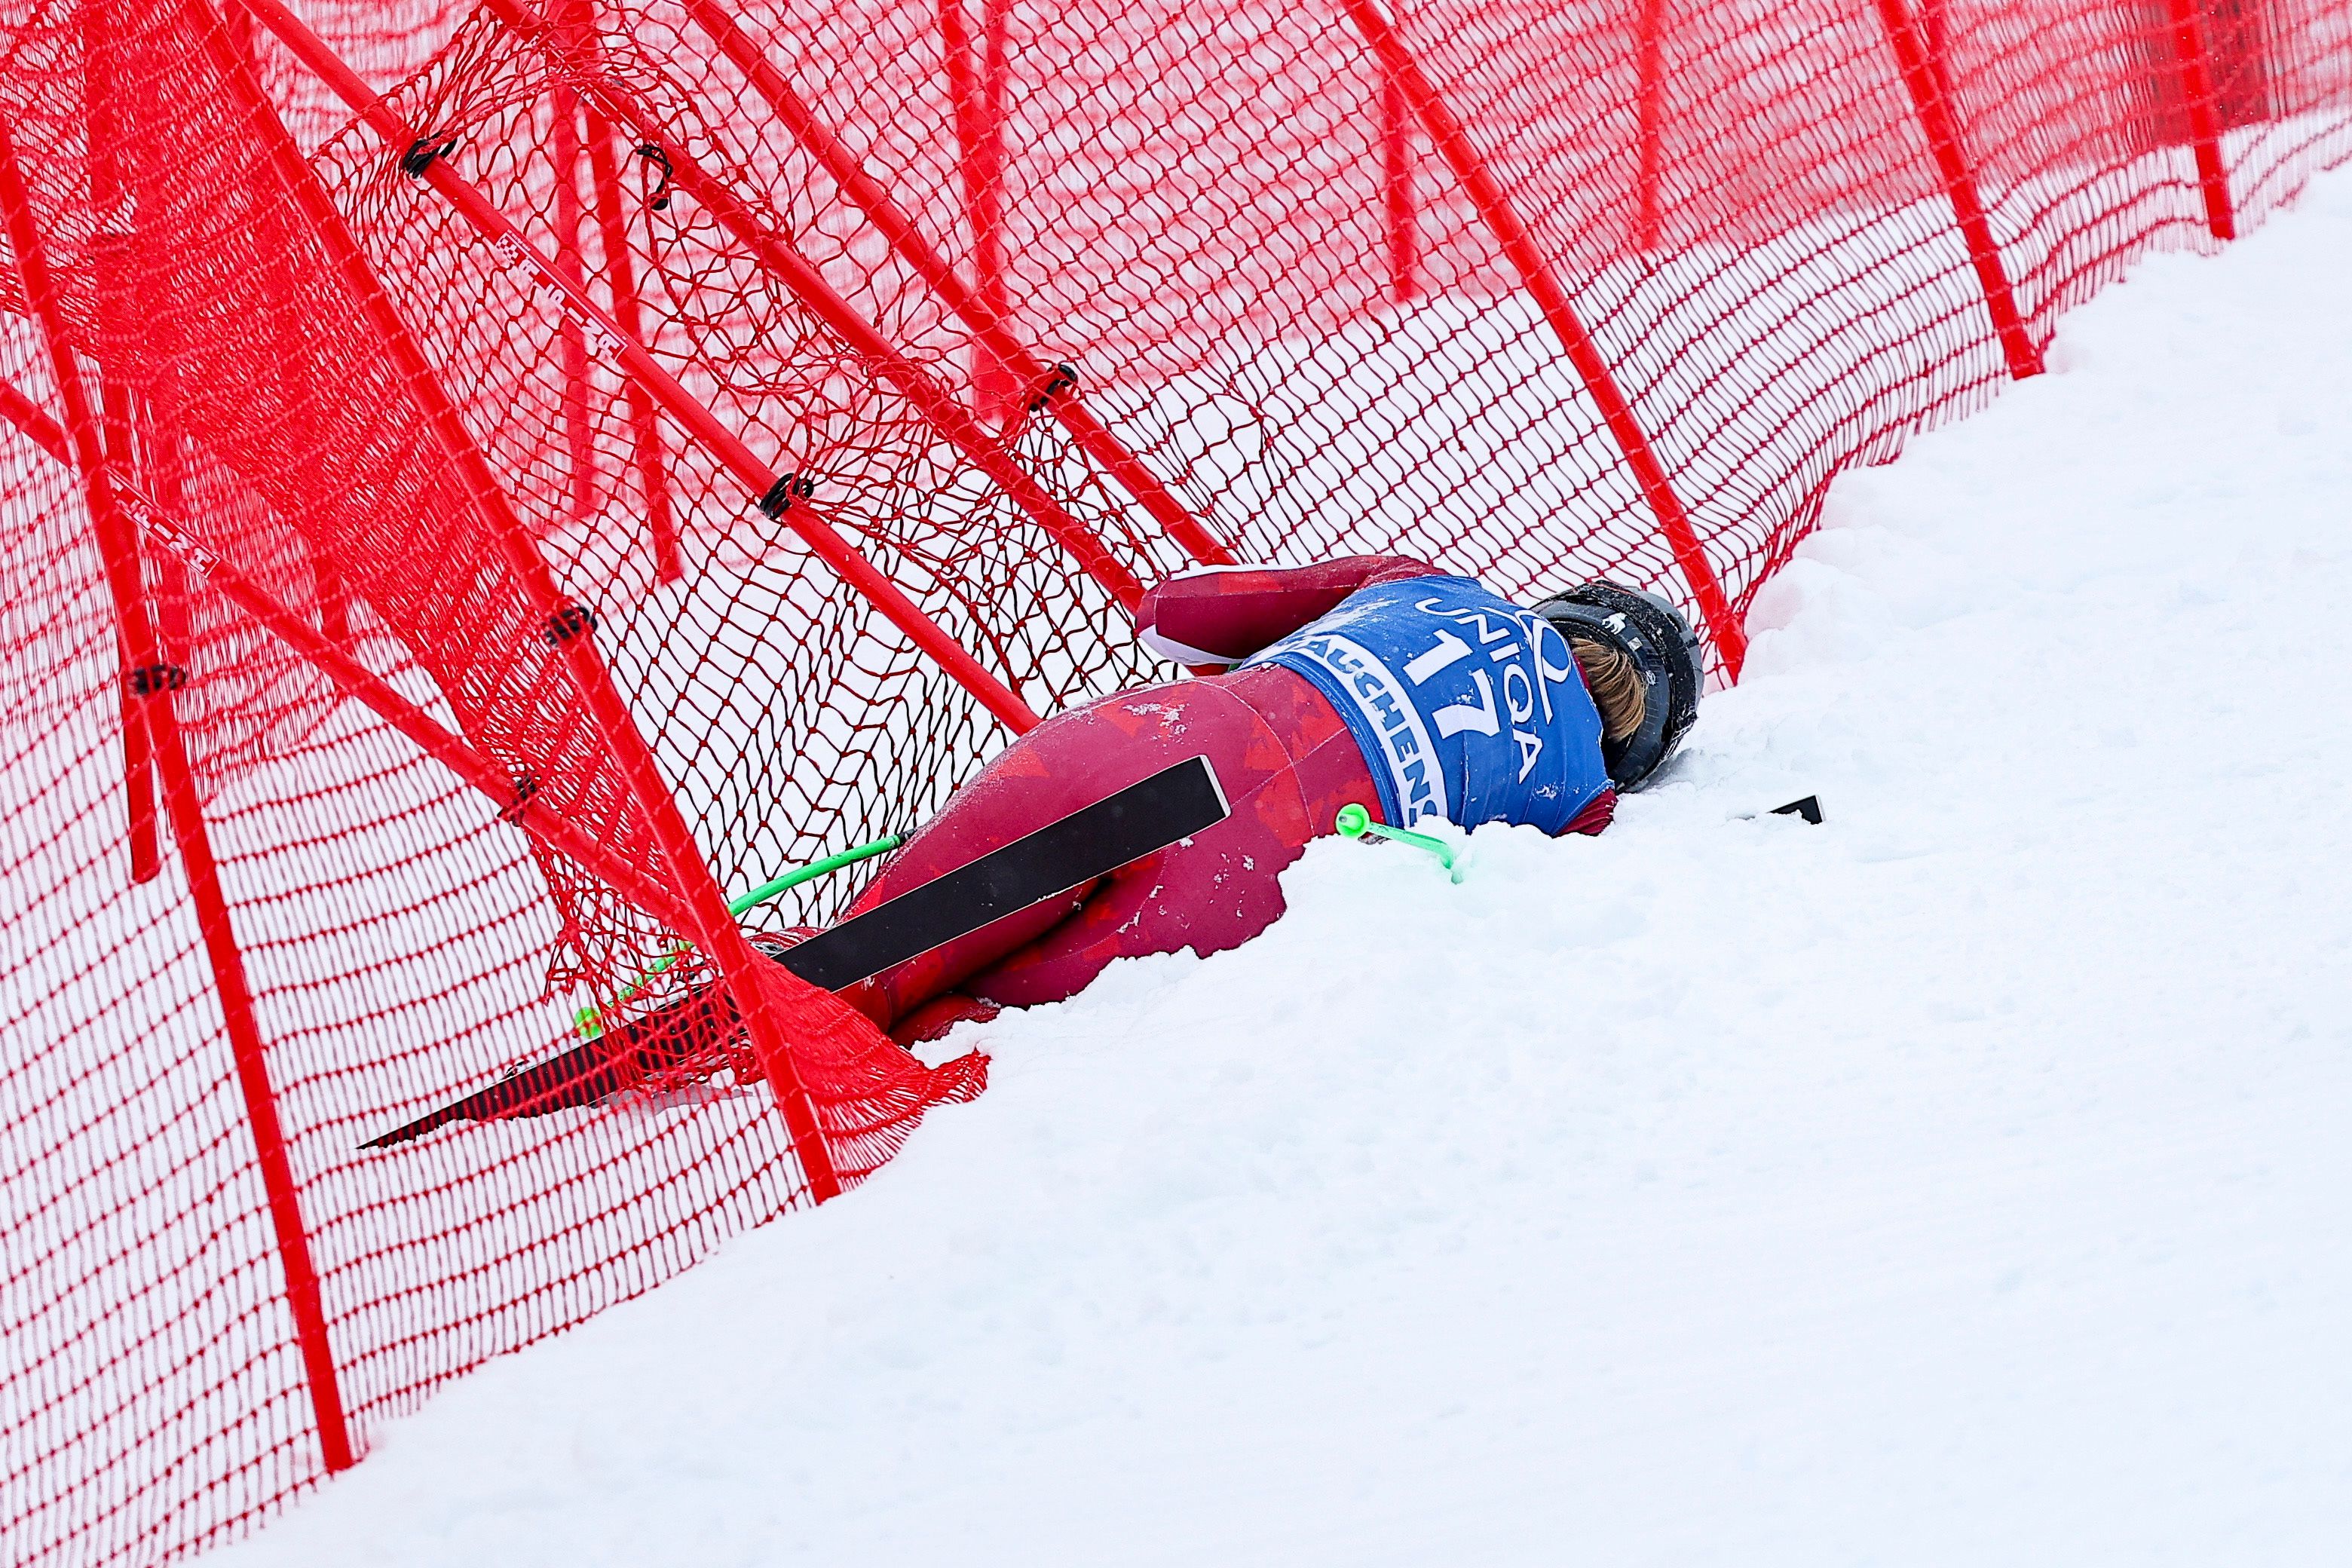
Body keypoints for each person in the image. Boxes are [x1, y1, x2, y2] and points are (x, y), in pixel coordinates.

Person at [822, 554, 1705, 1046]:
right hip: (1248, 876)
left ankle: (730, 1021)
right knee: (968, 1033)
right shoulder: (1587, 798)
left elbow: (1174, 611)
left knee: (858, 966)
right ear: (1637, 751)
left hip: (1166, 742)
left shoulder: (1433, 584)